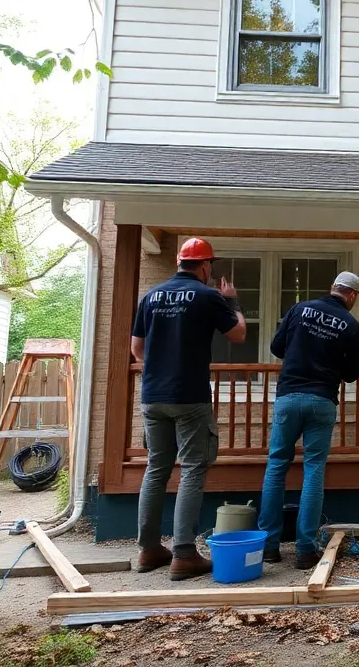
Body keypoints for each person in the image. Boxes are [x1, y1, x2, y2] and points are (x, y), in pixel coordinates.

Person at [130, 237, 247, 580]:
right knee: (193, 469)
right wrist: (232, 300)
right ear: (206, 266)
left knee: (156, 469)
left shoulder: (150, 297)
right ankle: (183, 554)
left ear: (178, 263)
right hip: (190, 396)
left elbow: (137, 350)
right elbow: (238, 333)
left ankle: (148, 549)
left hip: (153, 396)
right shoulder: (208, 295)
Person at [259, 272, 359, 569]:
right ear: (352, 296)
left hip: (289, 397)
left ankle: (269, 546)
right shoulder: (351, 325)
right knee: (314, 469)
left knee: (276, 465)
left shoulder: (299, 308)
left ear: (332, 288)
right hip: (321, 400)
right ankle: (306, 549)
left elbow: (277, 348)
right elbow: (351, 374)